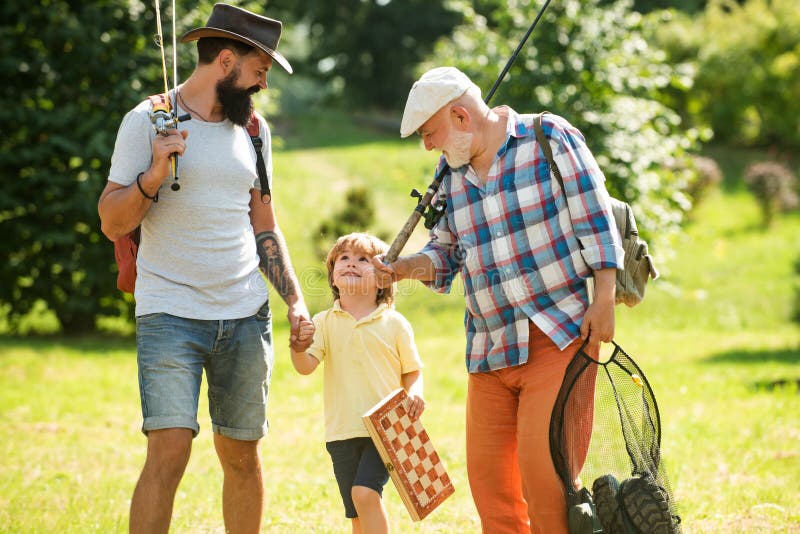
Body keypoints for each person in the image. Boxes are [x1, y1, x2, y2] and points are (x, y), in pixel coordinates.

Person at [371, 67, 625, 534]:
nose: (427, 146)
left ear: (461, 115)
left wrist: (604, 296)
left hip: (560, 337)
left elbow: (596, 220)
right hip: (489, 350)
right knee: (492, 494)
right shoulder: (450, 173)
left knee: (546, 485)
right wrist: (404, 267)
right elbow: (446, 255)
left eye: (430, 133)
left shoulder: (548, 137)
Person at [97, 5, 311, 533]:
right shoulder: (147, 120)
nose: (262, 83)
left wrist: (295, 300)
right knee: (167, 455)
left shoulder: (254, 132)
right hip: (169, 312)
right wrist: (153, 174)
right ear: (226, 60)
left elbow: (265, 226)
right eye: (259, 70)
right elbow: (109, 220)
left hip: (243, 314)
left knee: (242, 456)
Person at [290, 232, 425, 534]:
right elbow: (306, 366)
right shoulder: (324, 321)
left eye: (363, 259)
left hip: (386, 428)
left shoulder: (394, 323)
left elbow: (413, 370)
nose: (351, 263)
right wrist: (297, 347)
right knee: (356, 514)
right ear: (333, 277)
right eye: (344, 259)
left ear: (383, 280)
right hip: (341, 431)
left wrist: (415, 393)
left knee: (365, 494)